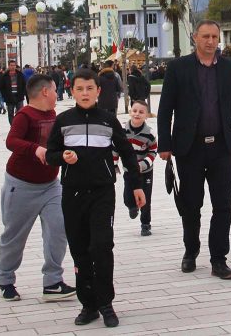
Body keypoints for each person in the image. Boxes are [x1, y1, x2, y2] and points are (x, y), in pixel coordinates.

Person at [45, 69, 144, 327]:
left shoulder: (108, 121)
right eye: (80, 89)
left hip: (102, 193)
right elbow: (50, 154)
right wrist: (62, 157)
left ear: (98, 91)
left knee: (101, 247)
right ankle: (88, 305)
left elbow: (127, 153)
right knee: (79, 249)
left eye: (90, 88)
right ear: (72, 91)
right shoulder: (63, 120)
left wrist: (136, 186)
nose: (85, 93)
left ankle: (106, 303)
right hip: (73, 194)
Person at [157, 20, 231, 280]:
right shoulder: (178, 68)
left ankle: (219, 259)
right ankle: (191, 251)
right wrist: (164, 144)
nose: (211, 41)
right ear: (195, 38)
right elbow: (165, 109)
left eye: (215, 37)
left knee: (223, 205)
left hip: (221, 147)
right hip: (189, 148)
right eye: (206, 36)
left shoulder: (228, 68)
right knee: (191, 205)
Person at [0, 73, 75, 303]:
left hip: (51, 185)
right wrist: (35, 149)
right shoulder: (25, 115)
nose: (57, 94)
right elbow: (11, 141)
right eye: (55, 90)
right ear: (45, 92)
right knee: (14, 236)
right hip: (21, 186)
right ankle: (6, 280)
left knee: (59, 228)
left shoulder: (52, 114)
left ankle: (52, 281)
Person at [118, 101, 157, 236]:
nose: (137, 114)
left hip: (145, 171)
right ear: (130, 112)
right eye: (134, 111)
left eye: (141, 112)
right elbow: (115, 147)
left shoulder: (149, 133)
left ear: (146, 115)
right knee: (128, 196)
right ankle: (132, 206)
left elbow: (153, 151)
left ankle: (145, 224)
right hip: (129, 170)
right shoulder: (122, 131)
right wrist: (114, 163)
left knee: (146, 198)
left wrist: (143, 164)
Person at [0, 61, 28, 126]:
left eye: (14, 65)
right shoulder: (5, 76)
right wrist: (5, 96)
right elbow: (2, 87)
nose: (13, 67)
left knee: (20, 113)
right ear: (9, 66)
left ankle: (19, 126)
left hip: (19, 96)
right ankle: (13, 126)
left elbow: (24, 84)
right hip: (9, 97)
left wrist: (23, 93)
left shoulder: (20, 74)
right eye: (11, 65)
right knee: (10, 113)